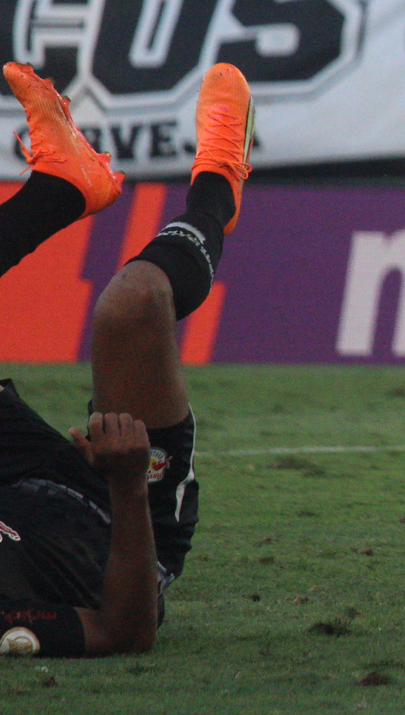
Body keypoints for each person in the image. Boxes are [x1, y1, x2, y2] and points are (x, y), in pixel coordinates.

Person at [0, 59, 250, 657]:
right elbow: (127, 629)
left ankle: (63, 185)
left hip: (18, 477)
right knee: (132, 306)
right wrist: (129, 485)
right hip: (122, 530)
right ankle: (218, 186)